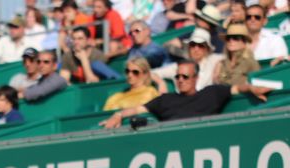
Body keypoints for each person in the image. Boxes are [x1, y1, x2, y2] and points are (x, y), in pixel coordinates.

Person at [99, 60, 272, 128]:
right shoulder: (166, 100)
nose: (180, 80)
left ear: (196, 77)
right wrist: (119, 114)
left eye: (185, 76)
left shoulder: (211, 93)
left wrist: (251, 88)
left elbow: (237, 88)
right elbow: (139, 109)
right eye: (177, 76)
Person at [152, 28, 223, 90]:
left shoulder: (213, 60)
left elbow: (231, 56)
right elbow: (150, 73)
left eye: (201, 46)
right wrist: (160, 83)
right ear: (188, 47)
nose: (196, 49)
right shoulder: (178, 67)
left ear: (207, 49)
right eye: (193, 45)